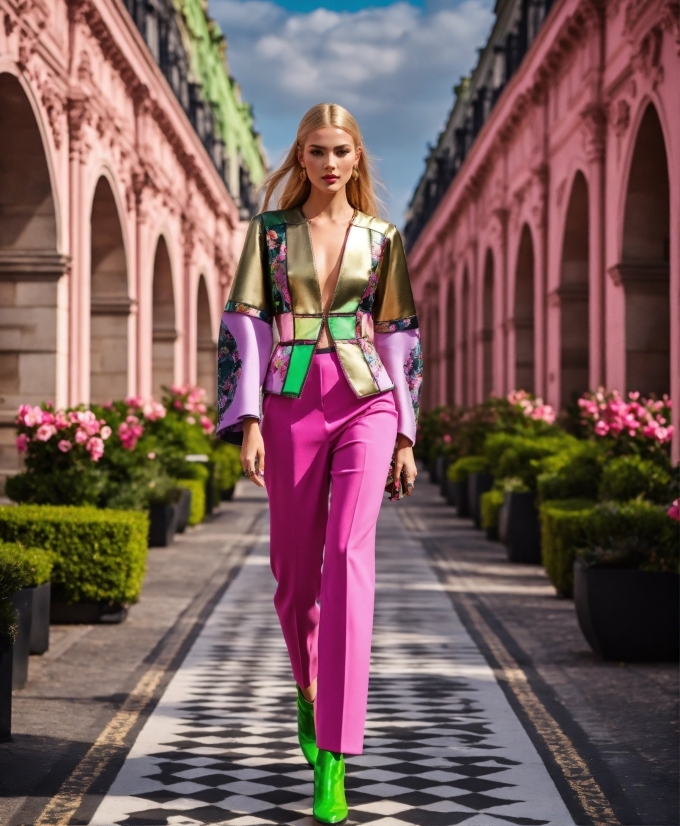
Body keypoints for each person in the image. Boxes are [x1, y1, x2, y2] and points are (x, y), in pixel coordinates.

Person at [216, 102, 422, 824]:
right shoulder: (268, 235)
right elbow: (243, 325)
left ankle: (334, 757)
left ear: (357, 158)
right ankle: (309, 691)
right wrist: (247, 421)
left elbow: (399, 335)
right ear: (299, 159)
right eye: (316, 151)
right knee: (295, 573)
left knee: (348, 556)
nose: (330, 162)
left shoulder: (383, 238)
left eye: (341, 150)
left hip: (368, 401)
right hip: (291, 403)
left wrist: (405, 433)